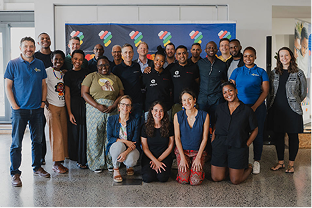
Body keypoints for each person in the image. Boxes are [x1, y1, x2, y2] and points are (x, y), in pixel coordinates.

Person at [4, 37, 50, 187]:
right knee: (16, 143)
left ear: (34, 47)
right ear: (20, 48)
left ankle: (37, 167)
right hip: (19, 111)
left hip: (37, 109)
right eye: (25, 46)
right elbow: (8, 87)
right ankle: (15, 173)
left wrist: (42, 103)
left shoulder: (40, 64)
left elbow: (44, 85)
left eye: (31, 46)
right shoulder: (13, 64)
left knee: (37, 141)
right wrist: (14, 106)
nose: (28, 49)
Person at [230, 46, 269, 174]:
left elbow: (265, 92)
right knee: (241, 134)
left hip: (257, 108)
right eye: (245, 56)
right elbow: (231, 90)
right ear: (243, 57)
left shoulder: (261, 72)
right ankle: (243, 160)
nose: (248, 58)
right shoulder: (237, 71)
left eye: (251, 55)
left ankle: (257, 161)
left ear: (255, 57)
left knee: (257, 133)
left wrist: (254, 107)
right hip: (240, 108)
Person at [81, 56, 124, 173]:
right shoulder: (91, 76)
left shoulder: (115, 78)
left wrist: (115, 105)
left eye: (105, 65)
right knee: (95, 136)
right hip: (95, 109)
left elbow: (121, 94)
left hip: (112, 109)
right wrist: (97, 105)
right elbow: (84, 93)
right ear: (97, 66)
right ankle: (97, 163)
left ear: (109, 66)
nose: (103, 67)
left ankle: (111, 162)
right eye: (100, 65)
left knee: (111, 136)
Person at [268, 47, 307, 173]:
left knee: (293, 136)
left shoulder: (299, 73)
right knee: (278, 136)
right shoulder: (274, 73)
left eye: (286, 55)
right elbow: (270, 91)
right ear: (278, 58)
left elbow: (302, 93)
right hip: (277, 109)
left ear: (291, 56)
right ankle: (280, 162)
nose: (284, 58)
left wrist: (294, 101)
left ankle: (291, 164)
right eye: (281, 56)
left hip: (292, 110)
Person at [211, 82, 258, 185]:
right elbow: (215, 124)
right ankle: (228, 167)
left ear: (236, 91)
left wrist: (246, 145)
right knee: (216, 178)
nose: (228, 94)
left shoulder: (247, 110)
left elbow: (255, 130)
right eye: (225, 92)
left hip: (238, 145)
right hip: (220, 144)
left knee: (235, 180)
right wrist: (213, 140)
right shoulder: (219, 108)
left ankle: (249, 168)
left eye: (230, 90)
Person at [174, 90, 209, 185]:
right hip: (183, 151)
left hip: (198, 151)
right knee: (184, 180)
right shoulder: (177, 116)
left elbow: (205, 138)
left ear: (194, 100)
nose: (187, 102)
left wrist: (198, 157)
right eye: (184, 100)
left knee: (195, 182)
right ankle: (184, 172)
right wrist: (182, 157)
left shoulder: (204, 115)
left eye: (189, 99)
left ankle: (199, 172)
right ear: (182, 103)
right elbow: (177, 138)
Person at [44, 50, 68, 174]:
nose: (58, 61)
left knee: (63, 134)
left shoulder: (62, 73)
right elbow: (42, 86)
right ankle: (56, 163)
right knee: (56, 135)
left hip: (62, 106)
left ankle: (61, 160)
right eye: (55, 59)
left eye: (60, 59)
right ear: (51, 60)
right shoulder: (47, 71)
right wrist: (45, 102)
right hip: (51, 106)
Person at [64, 49, 89, 169]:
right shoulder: (68, 74)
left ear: (83, 60)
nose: (77, 61)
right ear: (72, 59)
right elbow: (67, 95)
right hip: (73, 104)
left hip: (86, 104)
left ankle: (84, 158)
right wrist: (69, 113)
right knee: (74, 132)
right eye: (75, 59)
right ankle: (76, 158)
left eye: (80, 59)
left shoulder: (87, 73)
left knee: (85, 132)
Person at [107, 95, 140, 182]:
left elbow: (135, 141)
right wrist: (125, 141)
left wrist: (125, 153)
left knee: (131, 161)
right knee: (119, 145)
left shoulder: (135, 121)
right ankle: (116, 168)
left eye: (128, 105)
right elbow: (110, 138)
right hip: (116, 147)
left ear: (130, 108)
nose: (125, 107)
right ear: (119, 106)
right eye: (123, 104)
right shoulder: (111, 119)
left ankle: (129, 166)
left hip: (131, 148)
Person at [141, 101, 174, 183]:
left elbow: (170, 147)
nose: (158, 113)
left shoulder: (169, 126)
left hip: (164, 156)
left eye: (161, 110)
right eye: (156, 110)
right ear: (151, 112)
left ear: (164, 112)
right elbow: (145, 148)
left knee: (163, 178)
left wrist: (159, 160)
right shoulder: (145, 127)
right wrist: (155, 161)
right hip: (149, 157)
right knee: (147, 178)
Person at [197, 41, 227, 127]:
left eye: (213, 48)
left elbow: (224, 80)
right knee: (202, 123)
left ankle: (215, 140)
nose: (211, 49)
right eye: (209, 48)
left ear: (217, 50)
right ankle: (204, 140)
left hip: (216, 99)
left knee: (216, 122)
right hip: (202, 99)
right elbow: (196, 79)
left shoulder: (222, 64)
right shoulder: (200, 63)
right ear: (205, 50)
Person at [34, 32, 53, 165]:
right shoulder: (35, 57)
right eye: (42, 39)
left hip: (54, 97)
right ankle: (41, 157)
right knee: (40, 129)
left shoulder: (55, 56)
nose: (45, 40)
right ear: (38, 42)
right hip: (39, 98)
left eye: (47, 38)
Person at [112, 44, 143, 120]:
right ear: (122, 54)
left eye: (130, 52)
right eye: (125, 52)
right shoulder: (116, 69)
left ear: (133, 53)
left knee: (137, 126)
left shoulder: (137, 66)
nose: (128, 55)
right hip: (124, 104)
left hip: (137, 102)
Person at [167, 45, 199, 118]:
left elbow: (198, 82)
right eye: (179, 53)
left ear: (187, 54)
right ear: (176, 56)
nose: (182, 55)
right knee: (177, 126)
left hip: (191, 104)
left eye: (184, 53)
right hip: (177, 104)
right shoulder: (171, 68)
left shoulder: (194, 67)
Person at [142, 46, 172, 119]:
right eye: (157, 60)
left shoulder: (167, 74)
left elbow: (170, 91)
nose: (158, 63)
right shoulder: (147, 73)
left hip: (165, 109)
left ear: (164, 62)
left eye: (161, 61)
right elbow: (142, 91)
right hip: (150, 109)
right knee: (149, 130)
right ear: (153, 59)